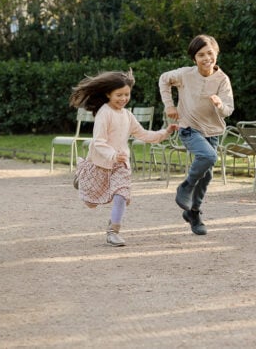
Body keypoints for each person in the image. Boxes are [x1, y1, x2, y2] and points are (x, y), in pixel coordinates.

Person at [70, 70, 177, 247]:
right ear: (108, 94)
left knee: (121, 194)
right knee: (90, 202)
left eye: (126, 94)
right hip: (100, 162)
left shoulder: (127, 115)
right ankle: (82, 177)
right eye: (119, 95)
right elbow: (98, 142)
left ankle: (113, 231)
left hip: (121, 164)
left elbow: (143, 134)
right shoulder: (104, 113)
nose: (123, 98)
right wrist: (112, 155)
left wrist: (164, 133)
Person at [159, 34, 234, 236]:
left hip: (213, 132)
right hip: (189, 127)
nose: (206, 58)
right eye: (201, 55)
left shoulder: (222, 80)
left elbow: (229, 109)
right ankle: (186, 186)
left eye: (210, 53)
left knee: (207, 174)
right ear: (194, 59)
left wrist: (219, 105)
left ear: (216, 53)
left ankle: (193, 213)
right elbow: (163, 79)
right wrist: (169, 106)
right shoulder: (185, 75)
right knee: (209, 157)